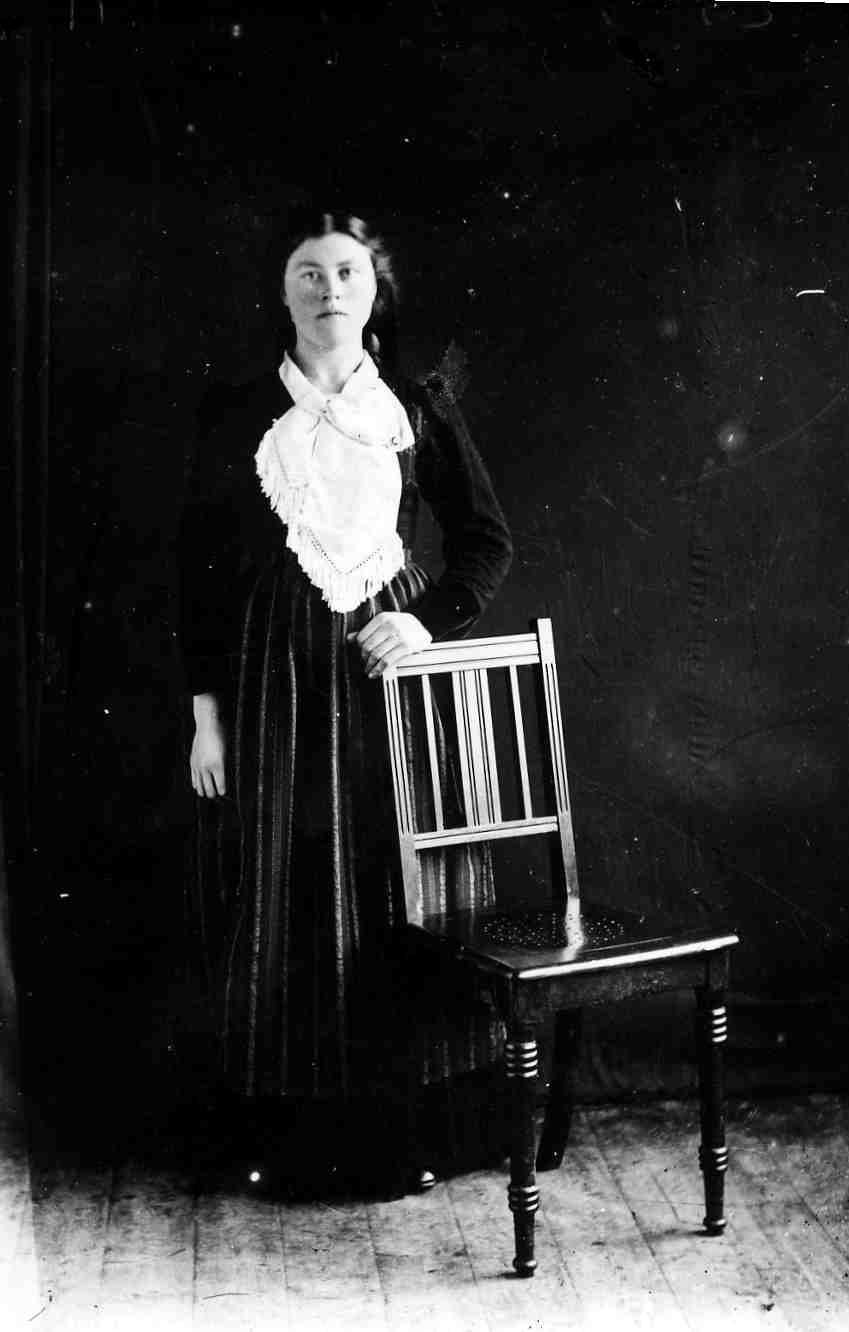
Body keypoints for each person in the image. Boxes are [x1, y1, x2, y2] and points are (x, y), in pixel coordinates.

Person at [177, 209, 512, 1195]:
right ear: (282, 292)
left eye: (348, 273)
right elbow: (197, 571)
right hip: (276, 679)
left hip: (389, 678)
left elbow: (486, 541)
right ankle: (295, 1139)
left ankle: (420, 1130)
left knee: (402, 883)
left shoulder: (417, 406)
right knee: (289, 885)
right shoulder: (239, 411)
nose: (330, 290)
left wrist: (425, 624)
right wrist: (206, 718)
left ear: (376, 291)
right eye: (309, 273)